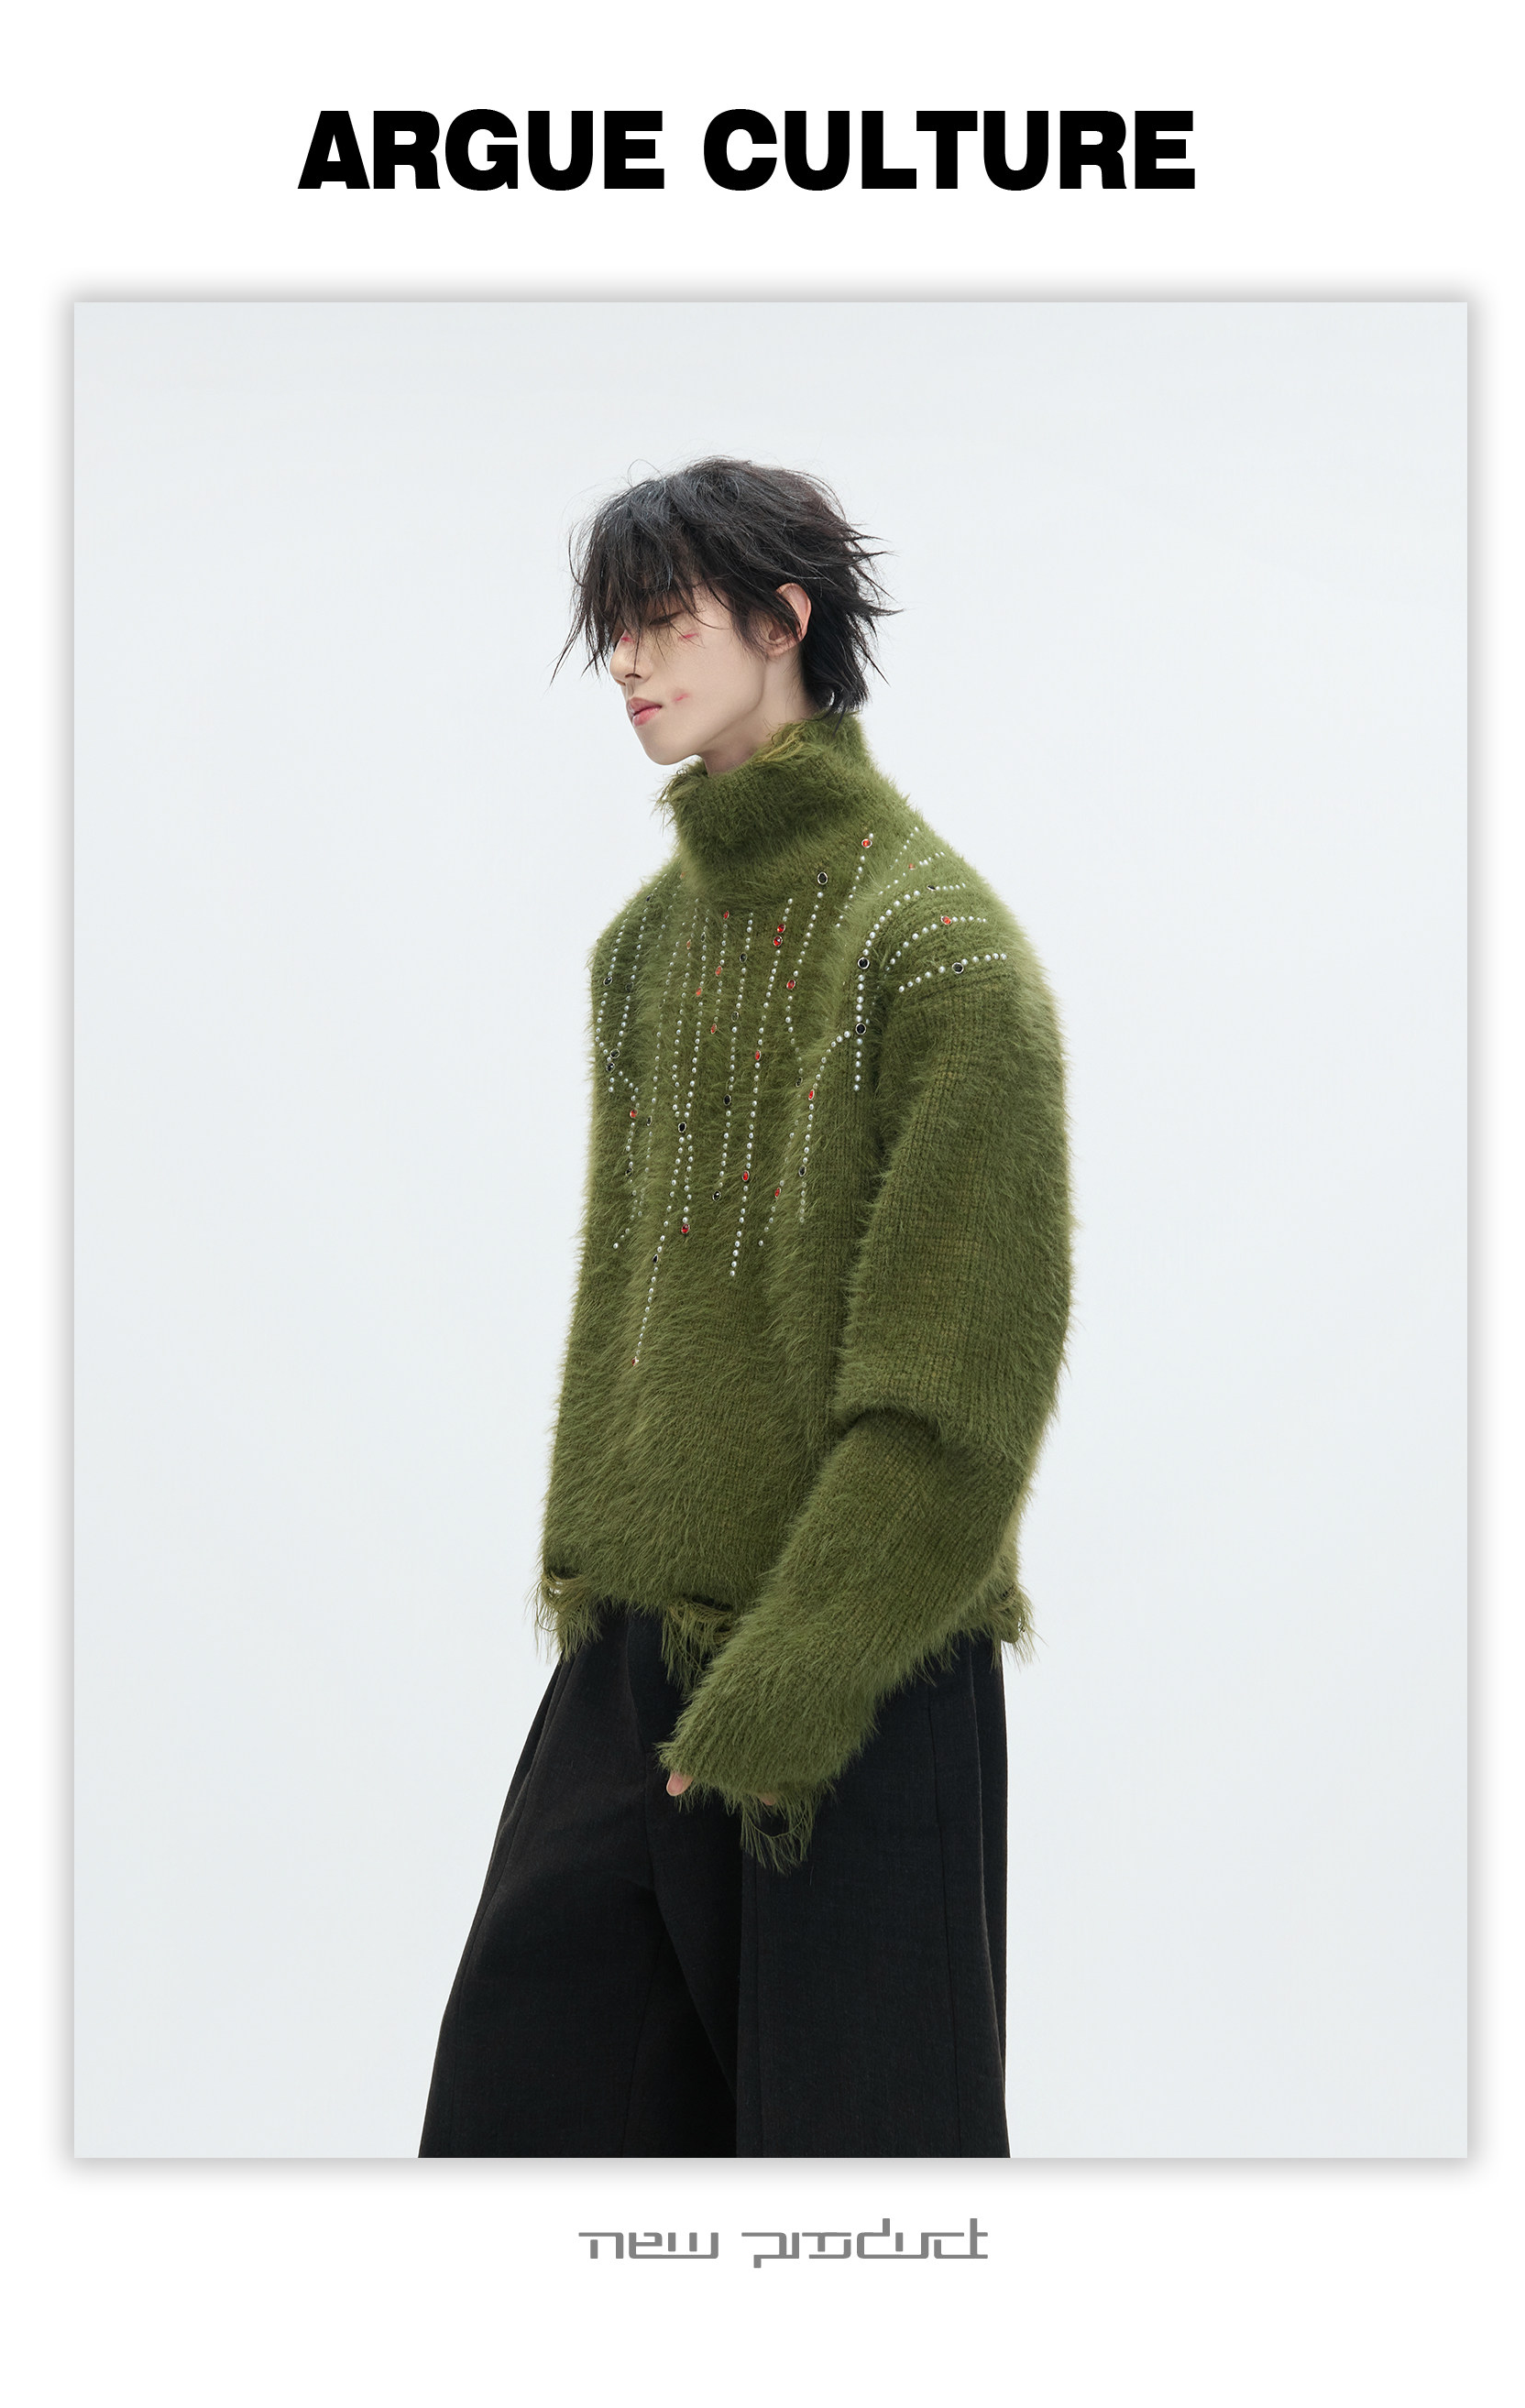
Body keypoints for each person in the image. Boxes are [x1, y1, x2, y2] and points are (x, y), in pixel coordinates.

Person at [419, 457, 1071, 2157]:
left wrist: (789, 1688)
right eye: (612, 635)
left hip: (859, 1674)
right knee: (511, 2131)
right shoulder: (643, 950)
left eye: (664, 622)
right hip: (628, 1666)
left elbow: (957, 1397)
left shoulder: (937, 953)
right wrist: (605, 1629)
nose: (628, 666)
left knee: (864, 2204)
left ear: (786, 621)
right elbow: (631, 1318)